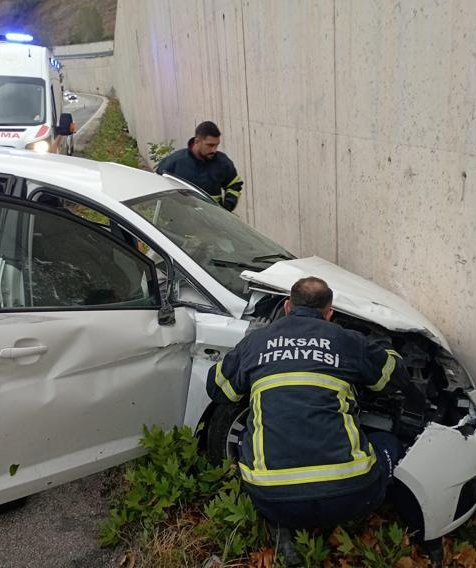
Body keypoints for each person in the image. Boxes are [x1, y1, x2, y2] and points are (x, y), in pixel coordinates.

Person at [206, 277, 426, 555]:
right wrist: (384, 345)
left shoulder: (256, 342)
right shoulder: (346, 340)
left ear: (287, 306)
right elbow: (392, 376)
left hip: (272, 498)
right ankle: (416, 535)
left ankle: (280, 525)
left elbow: (218, 389)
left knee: (253, 440)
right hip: (351, 498)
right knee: (388, 442)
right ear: (329, 313)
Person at [156, 121, 243, 211]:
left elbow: (234, 186)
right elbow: (157, 189)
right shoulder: (174, 162)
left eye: (216, 145)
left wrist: (226, 209)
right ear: (197, 141)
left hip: (212, 219)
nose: (214, 150)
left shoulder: (222, 162)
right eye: (210, 145)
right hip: (180, 220)